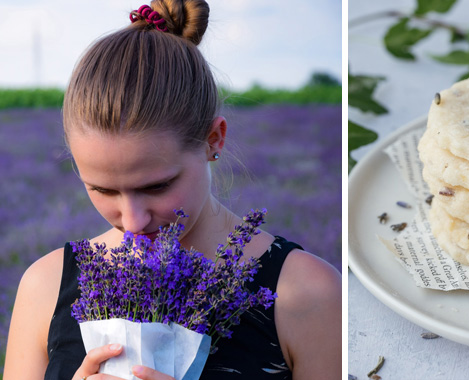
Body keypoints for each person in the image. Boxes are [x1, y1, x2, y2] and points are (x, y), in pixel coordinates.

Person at [2, 1, 341, 379]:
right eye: (102, 189)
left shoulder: (309, 294)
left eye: (157, 185)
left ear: (214, 139)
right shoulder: (45, 286)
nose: (132, 221)